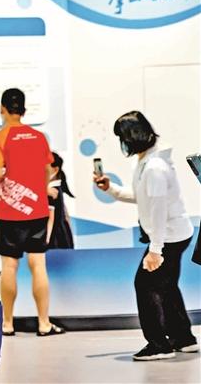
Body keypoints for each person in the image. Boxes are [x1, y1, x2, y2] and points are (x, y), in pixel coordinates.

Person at [95, 111, 198, 360]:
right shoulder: (148, 162)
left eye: (122, 138)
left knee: (145, 285)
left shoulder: (154, 168)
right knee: (166, 285)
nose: (122, 144)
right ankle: (183, 338)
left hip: (169, 236)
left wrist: (155, 250)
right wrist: (112, 190)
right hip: (174, 234)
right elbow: (145, 198)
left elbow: (158, 210)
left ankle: (158, 344)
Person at [0, 88, 64, 337]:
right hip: (37, 210)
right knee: (38, 265)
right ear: (24, 109)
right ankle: (44, 323)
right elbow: (47, 170)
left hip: (9, 213)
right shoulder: (39, 137)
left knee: (9, 266)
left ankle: (8, 324)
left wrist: (2, 170)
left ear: (2, 109)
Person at [46, 152, 75, 249]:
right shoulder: (55, 189)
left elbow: (50, 219)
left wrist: (46, 240)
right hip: (63, 236)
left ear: (55, 170)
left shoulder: (51, 191)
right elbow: (66, 215)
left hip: (54, 239)